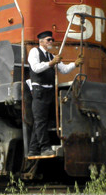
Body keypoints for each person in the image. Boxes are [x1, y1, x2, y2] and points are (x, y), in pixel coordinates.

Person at [26, 30, 82, 158]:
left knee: (42, 121)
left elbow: (64, 69)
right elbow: (36, 68)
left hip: (50, 91)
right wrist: (51, 63)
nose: (51, 42)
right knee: (40, 121)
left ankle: (33, 149)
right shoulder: (35, 52)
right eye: (48, 40)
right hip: (39, 90)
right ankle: (45, 148)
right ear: (41, 41)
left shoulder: (52, 56)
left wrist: (75, 64)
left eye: (52, 40)